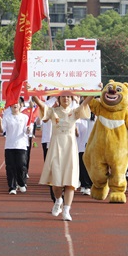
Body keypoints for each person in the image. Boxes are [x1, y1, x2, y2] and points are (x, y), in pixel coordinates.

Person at [32, 93, 92, 221]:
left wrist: (95, 91)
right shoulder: (53, 112)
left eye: (68, 97)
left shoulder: (75, 112)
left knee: (70, 182)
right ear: (58, 99)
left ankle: (66, 210)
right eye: (63, 96)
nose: (66, 98)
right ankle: (58, 200)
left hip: (70, 149)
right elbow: (41, 105)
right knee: (56, 182)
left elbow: (85, 104)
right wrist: (33, 93)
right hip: (56, 148)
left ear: (71, 99)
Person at [0, 97, 31, 195]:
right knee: (10, 167)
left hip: (21, 145)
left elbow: (26, 131)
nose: (15, 105)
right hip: (9, 146)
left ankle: (21, 183)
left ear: (21, 105)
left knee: (21, 166)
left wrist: (28, 130)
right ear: (10, 105)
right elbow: (1, 130)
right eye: (13, 103)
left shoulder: (25, 117)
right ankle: (12, 187)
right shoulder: (7, 117)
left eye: (17, 103)